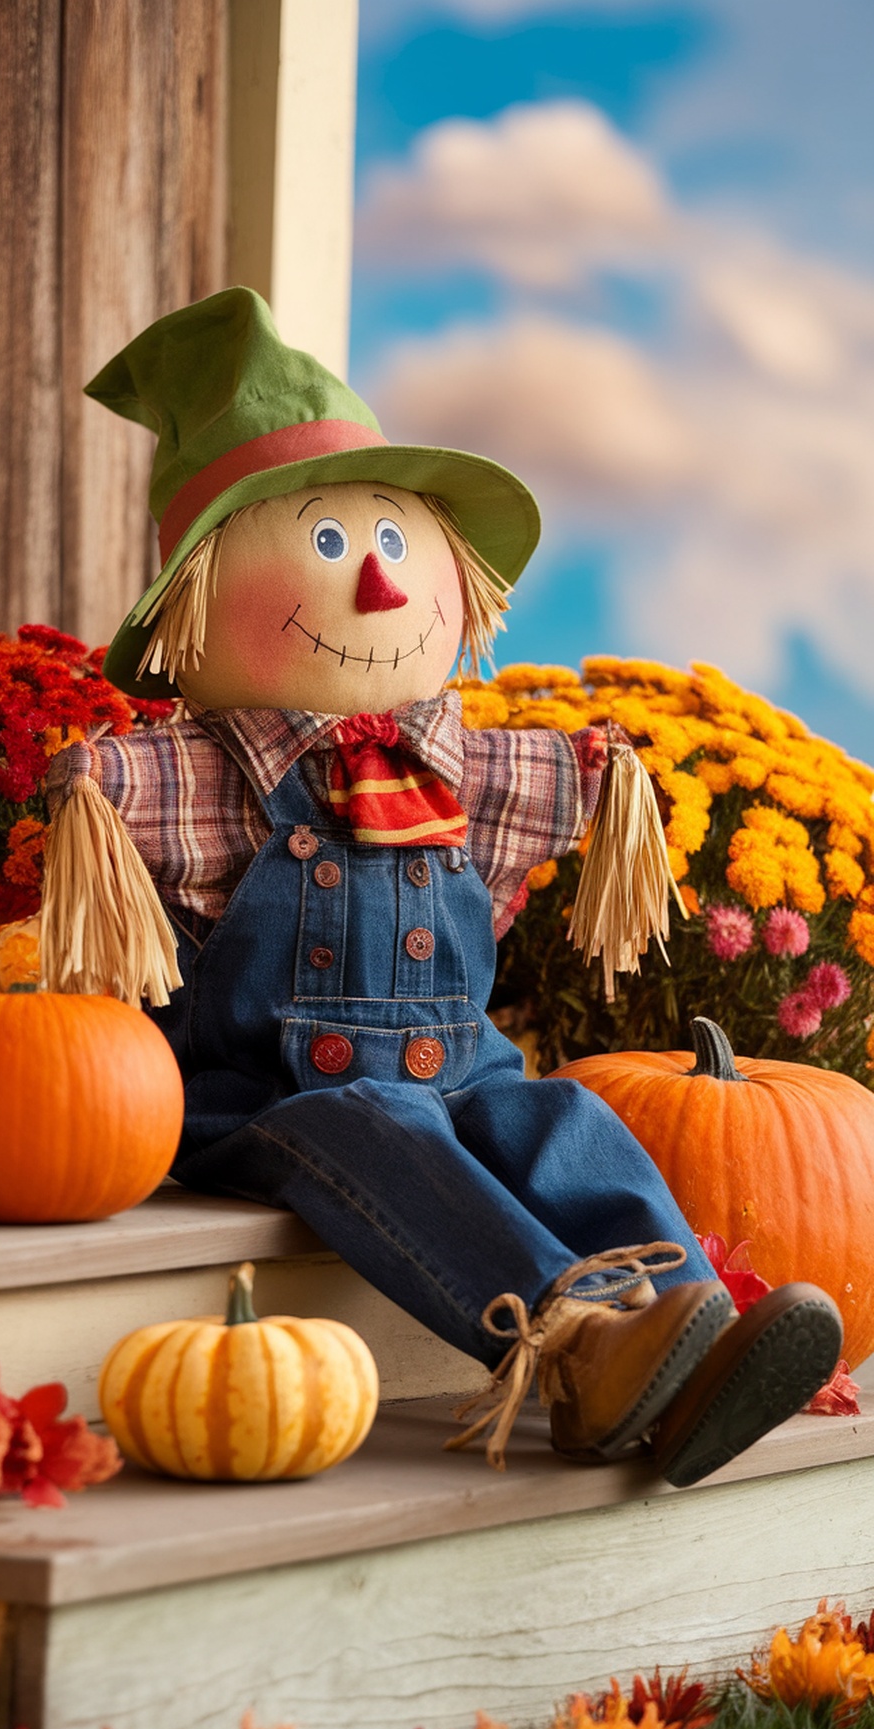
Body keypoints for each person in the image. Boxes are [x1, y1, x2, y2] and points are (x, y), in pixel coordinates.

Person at [44, 286, 842, 1487]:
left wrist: (608, 768)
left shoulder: (467, 764)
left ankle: (698, 1335)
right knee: (374, 1123)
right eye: (326, 544)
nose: (375, 587)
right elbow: (104, 793)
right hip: (268, 1094)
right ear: (196, 600)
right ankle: (575, 1350)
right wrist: (80, 784)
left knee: (561, 1114)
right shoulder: (196, 777)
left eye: (393, 545)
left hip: (460, 1064)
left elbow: (594, 779)